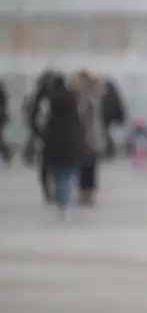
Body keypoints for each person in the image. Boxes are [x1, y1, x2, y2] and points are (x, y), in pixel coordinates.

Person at [37, 74, 84, 216]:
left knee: (58, 173)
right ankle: (66, 201)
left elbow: (41, 120)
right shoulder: (72, 99)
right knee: (69, 173)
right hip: (71, 140)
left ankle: (61, 201)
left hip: (53, 141)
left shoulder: (49, 99)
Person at [73, 71, 106, 206]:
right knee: (83, 167)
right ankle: (84, 193)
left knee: (90, 167)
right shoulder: (80, 97)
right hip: (82, 137)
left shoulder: (91, 97)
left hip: (90, 137)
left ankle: (89, 194)